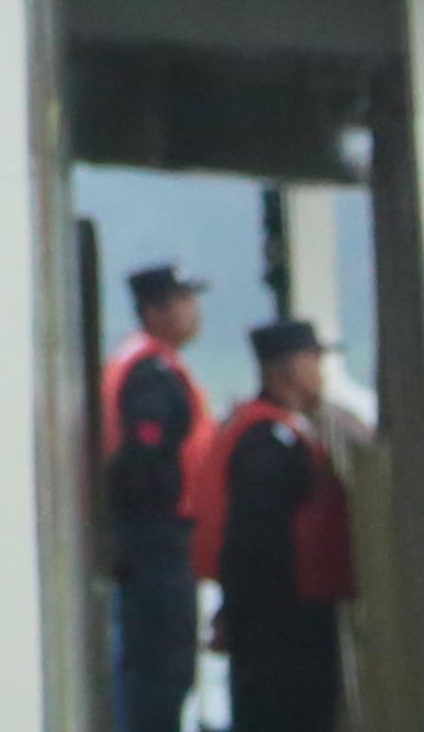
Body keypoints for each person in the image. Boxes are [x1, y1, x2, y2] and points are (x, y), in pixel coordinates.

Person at [191, 318, 357, 732]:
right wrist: (243, 613)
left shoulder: (271, 429)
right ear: (290, 368)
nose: (320, 372)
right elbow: (254, 538)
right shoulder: (267, 441)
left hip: (276, 615)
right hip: (282, 622)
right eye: (315, 360)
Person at [98, 264, 210, 730]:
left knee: (157, 666)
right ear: (155, 310)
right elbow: (145, 458)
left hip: (152, 539)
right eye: (184, 301)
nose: (194, 311)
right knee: (162, 668)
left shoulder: (149, 364)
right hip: (158, 541)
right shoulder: (151, 373)